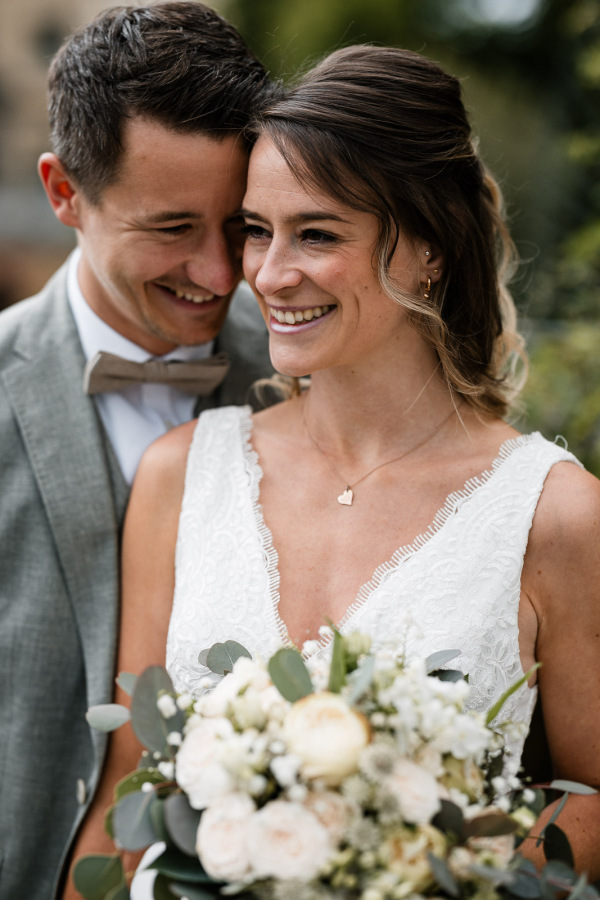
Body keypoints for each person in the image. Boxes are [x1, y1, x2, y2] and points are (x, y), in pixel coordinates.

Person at [107, 44, 600, 885]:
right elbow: (129, 784)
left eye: (318, 234)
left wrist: (420, 878)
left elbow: (590, 794)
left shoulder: (557, 514)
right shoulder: (181, 474)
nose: (267, 272)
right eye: (257, 229)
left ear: (432, 247)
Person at [0, 3, 275, 897]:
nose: (221, 274)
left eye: (238, 225)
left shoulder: (313, 373)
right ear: (63, 193)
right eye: (170, 229)